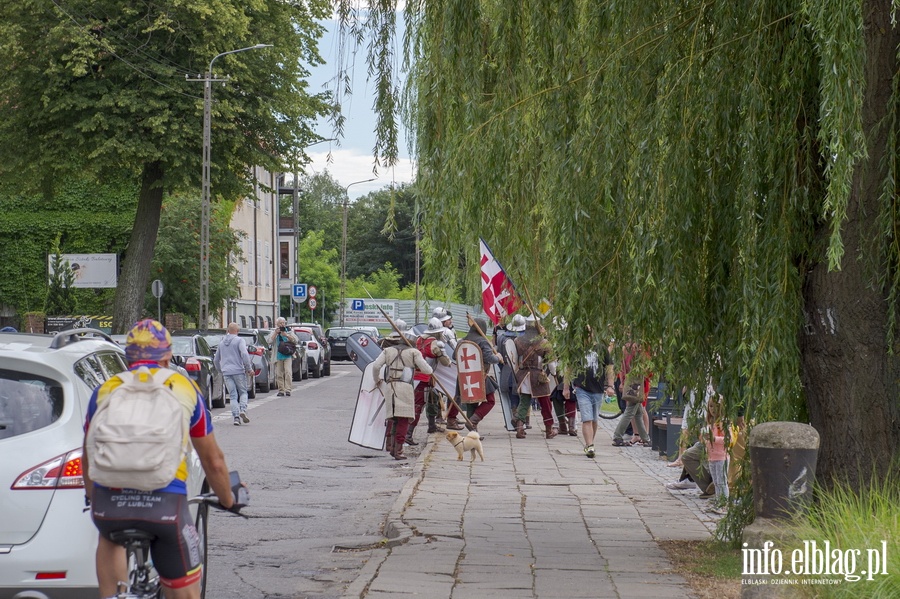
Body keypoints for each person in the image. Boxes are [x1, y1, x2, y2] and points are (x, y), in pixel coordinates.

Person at [83, 319, 236, 599]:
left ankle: (113, 595)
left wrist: (94, 497)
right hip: (164, 504)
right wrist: (227, 499)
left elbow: (88, 454)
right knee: (186, 591)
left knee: (108, 537)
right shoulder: (184, 387)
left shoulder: (106, 390)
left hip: (109, 507)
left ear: (127, 356)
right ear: (167, 356)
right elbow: (212, 460)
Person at [372, 329, 433, 460]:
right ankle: (398, 451)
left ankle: (392, 447)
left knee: (393, 417)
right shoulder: (413, 352)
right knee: (403, 419)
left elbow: (376, 366)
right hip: (405, 388)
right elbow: (428, 370)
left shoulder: (388, 351)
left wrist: (377, 379)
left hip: (390, 386)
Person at [564, 339, 615, 457]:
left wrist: (610, 386)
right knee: (587, 418)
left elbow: (609, 368)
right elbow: (569, 368)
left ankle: (590, 443)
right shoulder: (577, 348)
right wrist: (566, 387)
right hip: (582, 388)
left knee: (594, 419)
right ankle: (590, 445)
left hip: (598, 389)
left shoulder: (602, 349)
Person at [512, 315, 556, 439]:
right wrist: (554, 373)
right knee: (545, 403)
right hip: (538, 377)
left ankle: (520, 429)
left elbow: (514, 359)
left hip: (523, 375)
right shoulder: (544, 342)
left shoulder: (518, 341)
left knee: (524, 402)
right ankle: (549, 430)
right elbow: (552, 364)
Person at [455, 315, 501, 432]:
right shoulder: (483, 342)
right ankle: (473, 421)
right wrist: (497, 357)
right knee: (490, 400)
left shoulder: (462, 341)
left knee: (472, 403)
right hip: (480, 376)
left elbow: (454, 356)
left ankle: (473, 432)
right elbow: (489, 358)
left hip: (465, 377)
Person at [410, 317, 452, 439]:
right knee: (418, 406)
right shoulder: (435, 343)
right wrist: (444, 355)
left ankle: (432, 425)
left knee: (432, 400)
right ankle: (408, 434)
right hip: (424, 377)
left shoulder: (419, 340)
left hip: (419, 376)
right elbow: (445, 362)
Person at [611, 341, 653, 447]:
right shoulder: (640, 349)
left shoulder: (625, 348)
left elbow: (622, 367)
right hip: (638, 383)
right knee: (630, 411)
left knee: (638, 412)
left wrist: (622, 382)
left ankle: (645, 438)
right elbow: (647, 369)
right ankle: (617, 436)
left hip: (629, 382)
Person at [214, 322, 255, 426]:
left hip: (226, 372)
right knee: (243, 392)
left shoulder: (221, 343)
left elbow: (216, 359)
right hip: (238, 371)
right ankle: (243, 410)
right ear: (237, 331)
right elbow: (244, 354)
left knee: (232, 395)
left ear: (228, 331)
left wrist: (220, 370)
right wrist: (249, 368)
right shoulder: (240, 340)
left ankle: (236, 417)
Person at [267, 317, 297, 396]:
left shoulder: (289, 331)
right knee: (279, 374)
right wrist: (275, 333)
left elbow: (295, 341)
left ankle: (288, 390)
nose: (282, 324)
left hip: (287, 355)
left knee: (288, 372)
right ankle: (281, 390)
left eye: (283, 323)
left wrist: (286, 335)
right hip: (278, 356)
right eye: (280, 323)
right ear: (277, 324)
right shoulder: (274, 332)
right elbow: (269, 341)